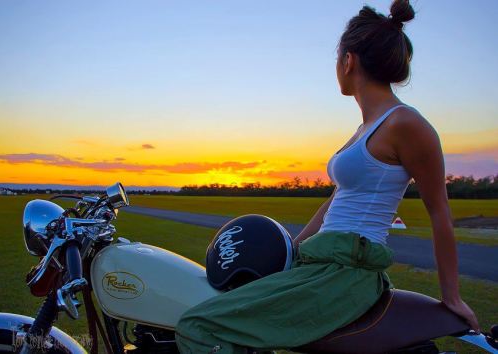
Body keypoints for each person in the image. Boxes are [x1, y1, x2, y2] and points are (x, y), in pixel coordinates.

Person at [174, 1, 480, 353]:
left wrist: (451, 297)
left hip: (345, 273)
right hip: (321, 260)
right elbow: (338, 198)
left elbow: (439, 212)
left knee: (198, 326)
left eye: (337, 59)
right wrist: (294, 248)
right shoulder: (364, 128)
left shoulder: (406, 124)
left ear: (348, 60)